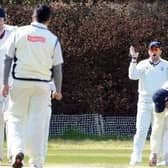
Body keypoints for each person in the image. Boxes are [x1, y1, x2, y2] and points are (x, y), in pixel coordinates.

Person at [1, 4, 63, 168]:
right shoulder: (53, 38)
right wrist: (58, 90)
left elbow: (7, 59)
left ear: (33, 16)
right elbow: (57, 68)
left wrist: (4, 83)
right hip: (42, 86)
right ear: (49, 19)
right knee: (37, 122)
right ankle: (35, 162)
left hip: (20, 82)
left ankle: (17, 152)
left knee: (15, 118)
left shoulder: (19, 33)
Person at [128, 41, 168, 166]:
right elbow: (132, 76)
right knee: (141, 131)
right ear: (149, 51)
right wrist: (134, 59)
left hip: (161, 103)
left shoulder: (166, 65)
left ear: (160, 51)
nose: (154, 51)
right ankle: (136, 158)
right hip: (144, 103)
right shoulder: (142, 64)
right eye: (152, 49)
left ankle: (164, 158)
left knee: (162, 131)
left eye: (156, 49)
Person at [0, 6, 17, 162]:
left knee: (11, 120)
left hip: (11, 85)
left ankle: (13, 154)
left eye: (0, 20)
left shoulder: (14, 32)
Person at [149, 83, 168, 166]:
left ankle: (156, 155)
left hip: (160, 96)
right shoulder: (160, 96)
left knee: (159, 128)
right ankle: (154, 154)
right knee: (158, 128)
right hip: (160, 97)